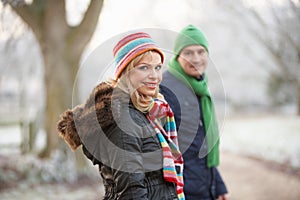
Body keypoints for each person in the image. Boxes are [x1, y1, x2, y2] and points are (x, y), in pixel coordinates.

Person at [57, 32, 185, 200]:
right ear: (125, 72)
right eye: (144, 67)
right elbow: (131, 193)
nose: (154, 75)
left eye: (158, 67)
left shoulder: (148, 113)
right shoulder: (123, 120)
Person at [160, 25, 229, 200]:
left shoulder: (201, 87)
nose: (196, 58)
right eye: (188, 53)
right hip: (182, 191)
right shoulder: (165, 89)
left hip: (206, 187)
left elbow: (203, 145)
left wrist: (217, 187)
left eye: (201, 51)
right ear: (177, 55)